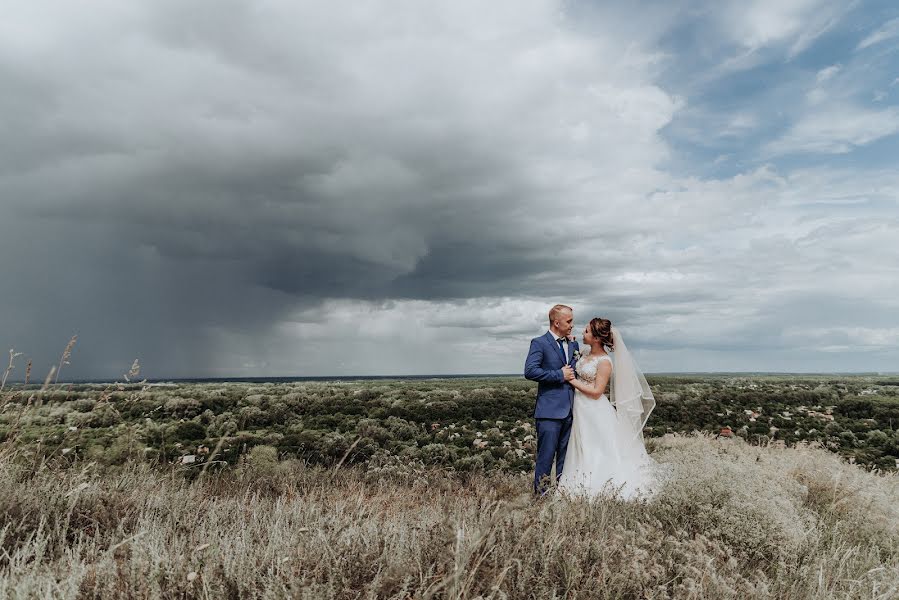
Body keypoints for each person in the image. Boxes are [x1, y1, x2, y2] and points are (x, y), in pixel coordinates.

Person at [558, 317, 659, 499]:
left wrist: (572, 381)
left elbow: (597, 391)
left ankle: (597, 486)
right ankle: (578, 483)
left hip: (593, 409)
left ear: (596, 338)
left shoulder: (605, 361)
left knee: (596, 448)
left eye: (587, 331)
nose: (583, 333)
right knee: (581, 447)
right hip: (579, 407)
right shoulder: (584, 354)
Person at [524, 304, 579, 495]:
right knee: (545, 458)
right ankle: (541, 499)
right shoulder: (539, 343)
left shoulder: (573, 344)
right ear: (557, 322)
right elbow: (530, 371)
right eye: (569, 321)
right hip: (549, 412)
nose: (572, 324)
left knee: (567, 459)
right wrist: (559, 375)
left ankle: (563, 497)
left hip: (571, 411)